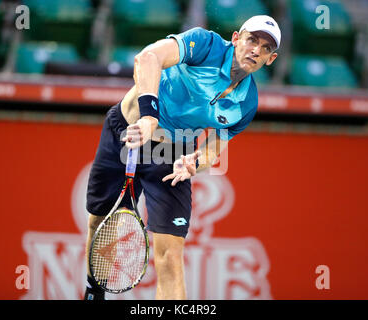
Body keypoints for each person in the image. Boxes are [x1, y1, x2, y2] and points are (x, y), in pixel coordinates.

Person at [84, 15, 281, 300]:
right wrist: (150, 116)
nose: (255, 50)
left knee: (170, 255)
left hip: (172, 154)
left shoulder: (247, 103)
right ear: (237, 38)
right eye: (252, 40)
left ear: (271, 59)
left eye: (265, 48)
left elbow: (213, 150)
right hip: (128, 132)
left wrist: (195, 163)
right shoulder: (205, 45)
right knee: (100, 223)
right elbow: (148, 57)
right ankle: (93, 293)